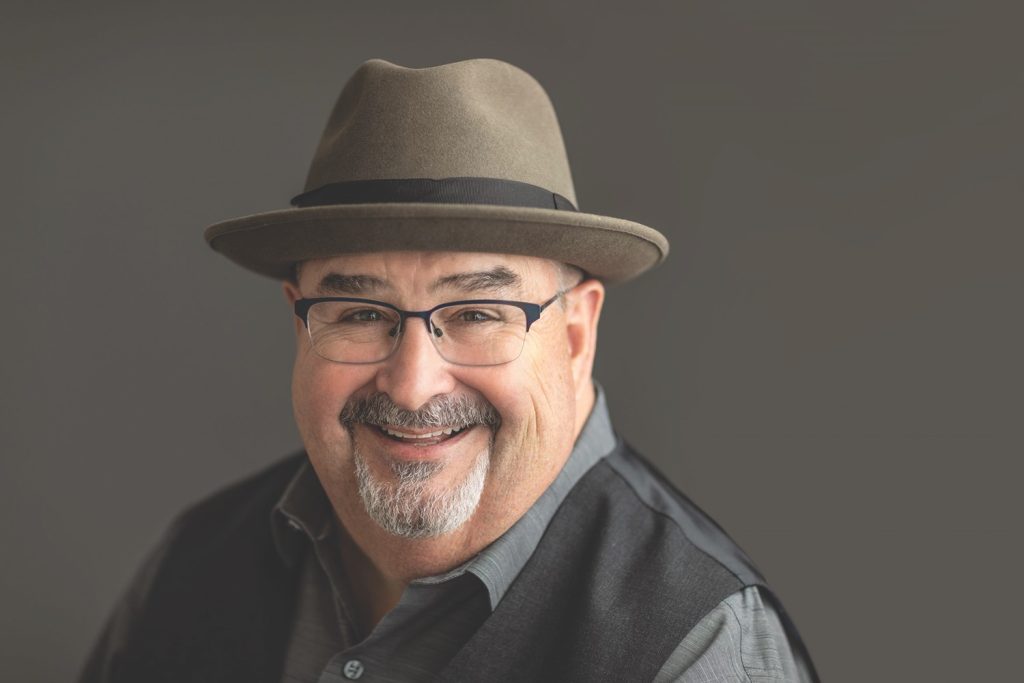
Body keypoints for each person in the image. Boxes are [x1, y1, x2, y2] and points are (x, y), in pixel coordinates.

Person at [78, 58, 819, 683]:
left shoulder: (695, 648)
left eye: (477, 313)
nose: (412, 384)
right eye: (359, 312)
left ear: (575, 334)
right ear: (299, 322)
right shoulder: (195, 563)